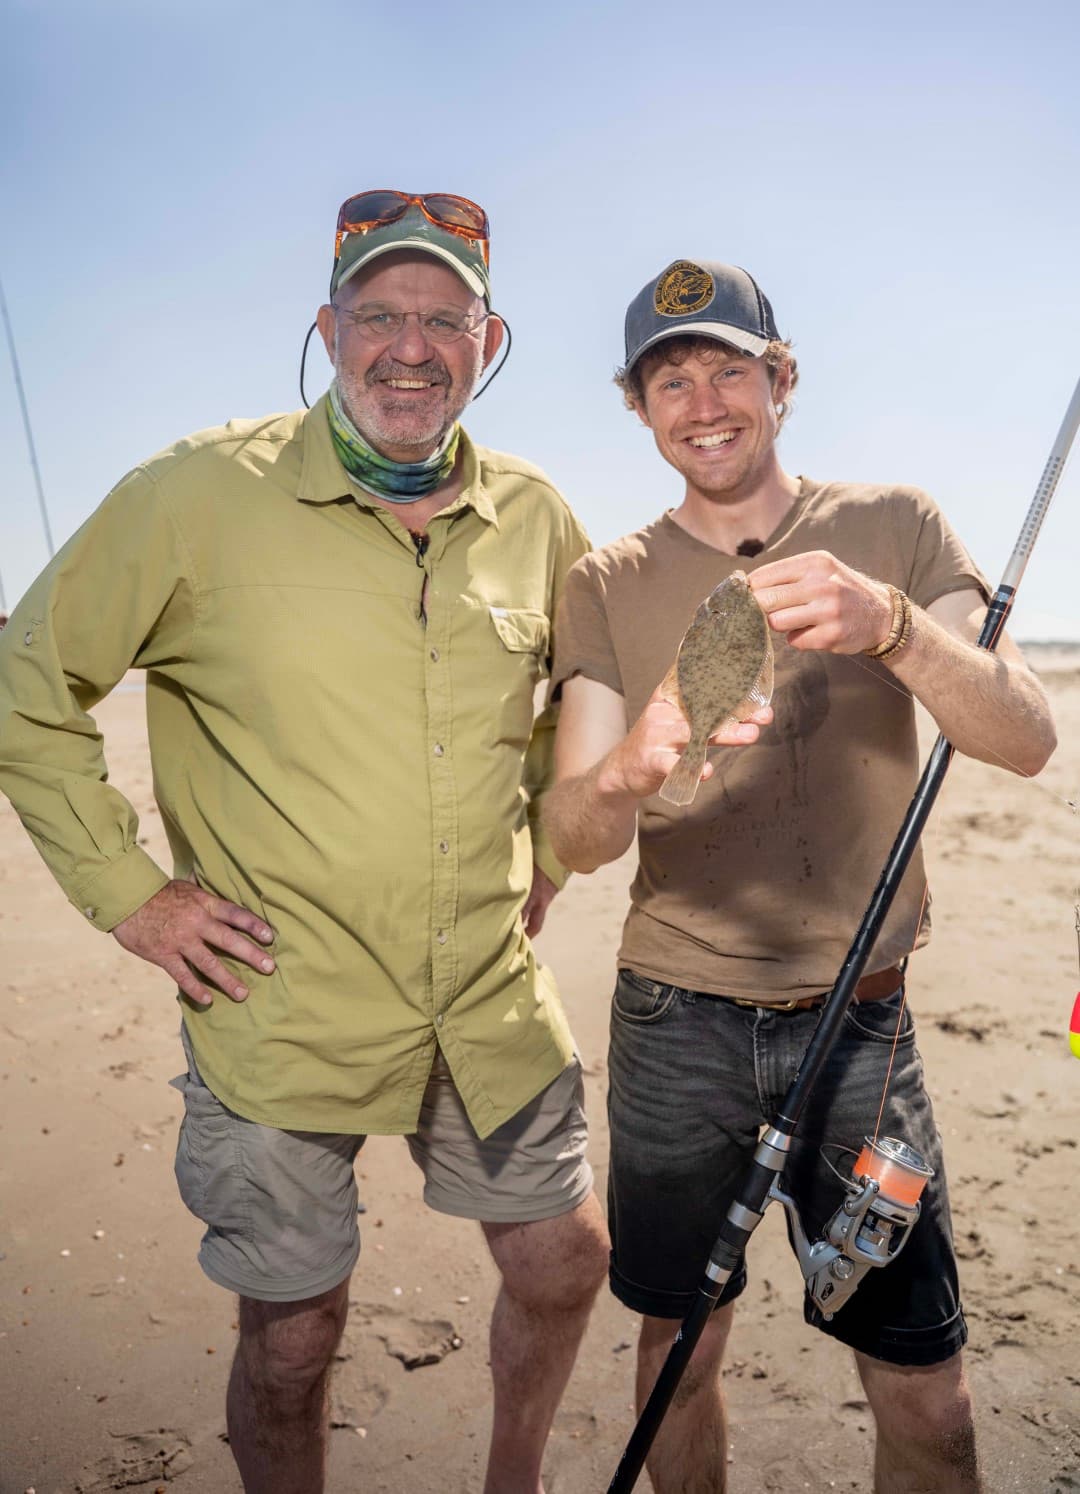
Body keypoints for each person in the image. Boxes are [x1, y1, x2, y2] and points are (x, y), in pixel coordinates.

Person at [0, 190, 609, 1494]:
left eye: (444, 319)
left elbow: (579, 709)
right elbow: (25, 685)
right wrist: (132, 896)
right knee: (292, 1338)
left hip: (485, 994)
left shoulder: (540, 513)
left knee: (566, 1261)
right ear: (328, 331)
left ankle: (514, 1478)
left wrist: (550, 857)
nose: (410, 347)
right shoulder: (194, 493)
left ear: (489, 343)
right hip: (279, 1003)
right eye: (379, 315)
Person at [543, 258, 1056, 1493]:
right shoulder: (605, 581)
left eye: (728, 369)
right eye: (671, 380)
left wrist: (895, 626)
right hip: (676, 1026)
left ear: (782, 379)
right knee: (679, 1350)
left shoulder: (896, 524)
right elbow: (572, 834)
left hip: (862, 1030)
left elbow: (1026, 736)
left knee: (929, 1393)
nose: (703, 402)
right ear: (637, 407)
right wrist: (633, 765)